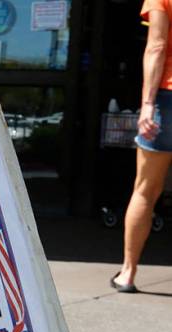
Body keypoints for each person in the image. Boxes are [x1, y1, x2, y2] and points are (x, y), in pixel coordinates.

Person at [113, 0, 172, 292]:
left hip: (168, 99)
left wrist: (147, 104)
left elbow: (157, 46)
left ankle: (128, 273)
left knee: (146, 190)